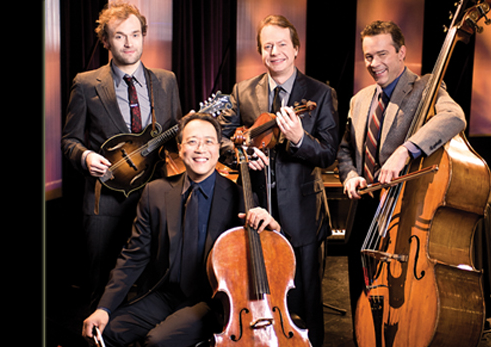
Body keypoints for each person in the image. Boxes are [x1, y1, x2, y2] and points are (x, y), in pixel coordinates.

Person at [82, 113, 281, 347]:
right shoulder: (155, 192)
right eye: (192, 141)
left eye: (208, 141)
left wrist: (273, 229)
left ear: (218, 148)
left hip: (211, 300)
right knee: (103, 332)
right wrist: (103, 308)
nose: (200, 149)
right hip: (165, 294)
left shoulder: (241, 198)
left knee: (157, 342)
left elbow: (270, 259)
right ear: (179, 148)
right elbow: (133, 257)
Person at [217, 14, 339, 347]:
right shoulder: (243, 91)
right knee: (260, 297)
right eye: (267, 46)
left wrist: (300, 139)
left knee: (306, 304)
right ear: (260, 52)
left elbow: (328, 154)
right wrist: (243, 153)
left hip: (302, 216)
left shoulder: (321, 93)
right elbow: (225, 140)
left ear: (296, 49)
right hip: (255, 212)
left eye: (282, 44)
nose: (275, 52)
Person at [336, 20, 467, 322]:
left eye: (382, 54)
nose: (374, 63)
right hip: (363, 211)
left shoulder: (426, 87)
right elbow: (345, 150)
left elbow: (454, 117)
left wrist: (405, 150)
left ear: (401, 52)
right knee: (360, 294)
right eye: (369, 56)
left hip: (400, 214)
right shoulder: (359, 100)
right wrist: (351, 175)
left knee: (398, 297)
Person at [61, 1, 182, 309]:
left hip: (156, 200)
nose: (129, 43)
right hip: (105, 203)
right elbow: (70, 141)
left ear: (143, 36)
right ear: (106, 41)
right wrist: (86, 157)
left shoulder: (166, 81)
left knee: (152, 288)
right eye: (119, 36)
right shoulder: (86, 84)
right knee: (101, 289)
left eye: (135, 34)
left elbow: (176, 138)